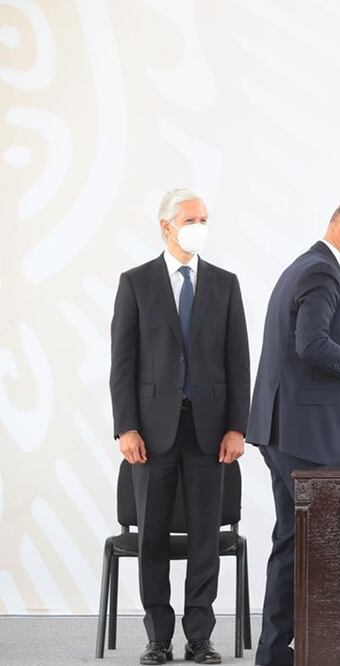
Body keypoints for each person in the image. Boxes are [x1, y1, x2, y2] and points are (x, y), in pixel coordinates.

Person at [247, 196, 340, 666]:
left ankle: (279, 653)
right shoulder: (320, 271)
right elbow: (310, 343)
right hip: (304, 436)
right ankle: (282, 654)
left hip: (289, 431)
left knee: (294, 543)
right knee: (302, 548)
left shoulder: (309, 267)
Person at [109, 188, 249, 665]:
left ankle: (200, 636)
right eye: (191, 218)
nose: (200, 225)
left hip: (210, 434)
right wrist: (126, 426)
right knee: (152, 536)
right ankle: (158, 637)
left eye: (205, 217)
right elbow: (122, 363)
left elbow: (239, 363)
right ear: (166, 225)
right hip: (150, 433)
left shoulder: (225, 284)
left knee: (205, 535)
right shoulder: (136, 282)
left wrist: (238, 427)